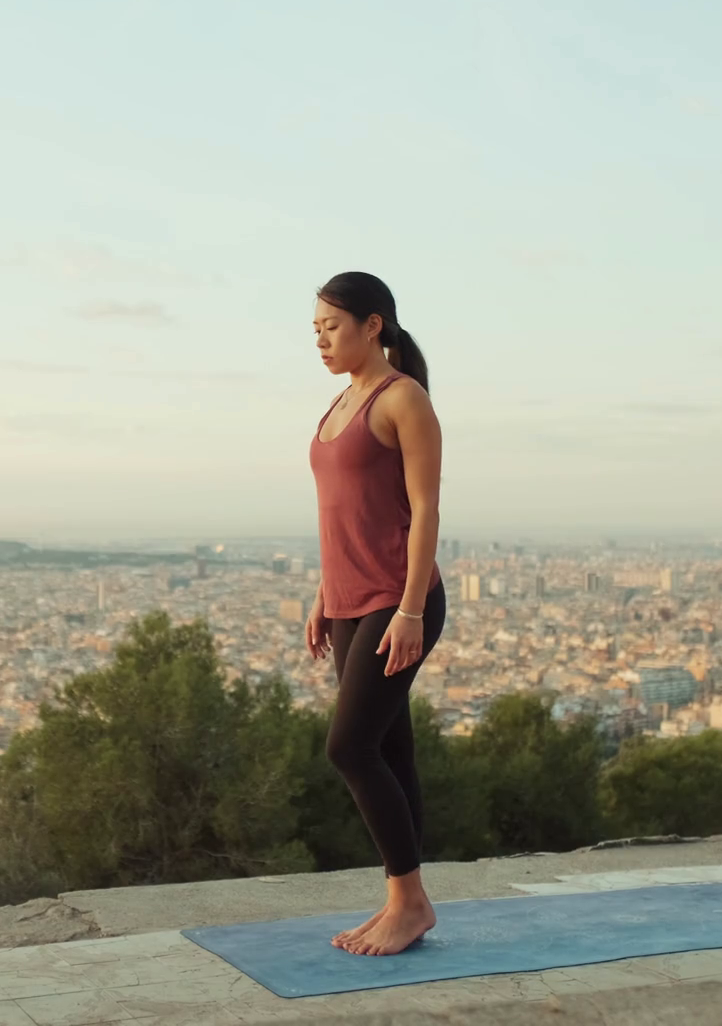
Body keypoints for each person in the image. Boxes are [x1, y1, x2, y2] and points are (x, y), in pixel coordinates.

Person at [305, 270, 447, 957]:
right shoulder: (339, 404)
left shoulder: (402, 400)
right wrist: (323, 595)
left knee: (350, 747)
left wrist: (414, 609)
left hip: (398, 599)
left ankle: (409, 901)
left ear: (373, 325)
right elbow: (344, 513)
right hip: (348, 602)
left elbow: (424, 510)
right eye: (316, 330)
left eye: (332, 326)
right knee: (391, 748)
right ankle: (406, 899)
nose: (322, 340)